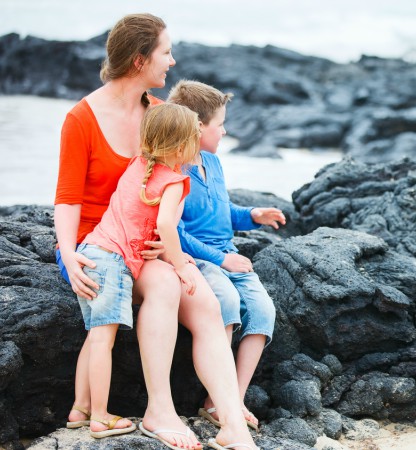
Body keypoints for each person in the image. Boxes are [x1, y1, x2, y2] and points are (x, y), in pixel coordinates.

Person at [55, 14, 257, 450]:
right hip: (97, 245)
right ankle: (159, 411)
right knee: (167, 285)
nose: (172, 61)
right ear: (139, 59)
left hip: (147, 243)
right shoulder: (81, 118)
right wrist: (69, 256)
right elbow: (68, 198)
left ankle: (232, 425)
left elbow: (181, 190)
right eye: (165, 52)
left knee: (205, 298)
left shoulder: (163, 114)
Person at [72, 103, 199, 439]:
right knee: (103, 339)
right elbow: (166, 226)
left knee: (95, 334)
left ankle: (80, 407)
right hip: (112, 261)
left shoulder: (138, 164)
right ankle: (100, 417)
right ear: (181, 147)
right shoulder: (174, 181)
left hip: (92, 251)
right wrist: (182, 266)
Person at [167, 80, 286, 431]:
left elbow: (221, 210)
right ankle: (223, 399)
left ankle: (229, 399)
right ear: (197, 127)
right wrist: (220, 261)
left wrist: (251, 216)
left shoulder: (213, 163)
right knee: (227, 305)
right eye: (219, 124)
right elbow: (175, 232)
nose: (225, 130)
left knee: (264, 311)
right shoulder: (176, 169)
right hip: (201, 260)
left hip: (227, 253)